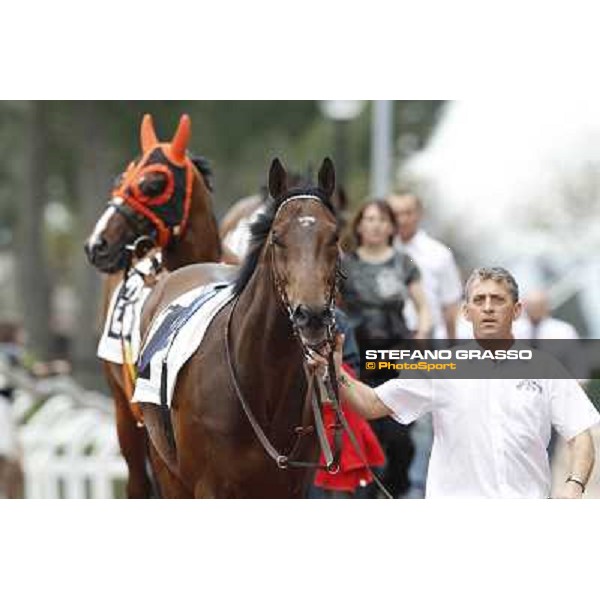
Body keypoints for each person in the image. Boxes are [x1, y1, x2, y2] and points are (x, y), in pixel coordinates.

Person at [311, 267, 599, 499]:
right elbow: (372, 404)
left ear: (516, 310)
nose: (488, 308)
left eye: (498, 300)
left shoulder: (544, 367)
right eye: (479, 300)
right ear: (465, 311)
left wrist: (574, 485)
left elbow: (581, 434)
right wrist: (336, 371)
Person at [340, 199, 431, 497]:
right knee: (365, 432)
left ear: (391, 226)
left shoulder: (404, 263)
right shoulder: (345, 264)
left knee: (400, 435)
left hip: (395, 355)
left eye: (381, 219)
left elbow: (423, 307)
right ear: (359, 225)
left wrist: (422, 332)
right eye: (369, 219)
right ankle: (364, 494)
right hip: (357, 357)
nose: (375, 225)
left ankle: (396, 491)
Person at [388, 191, 463, 498]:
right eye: (396, 213)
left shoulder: (438, 254)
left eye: (407, 212)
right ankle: (388, 485)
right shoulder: (375, 250)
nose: (401, 219)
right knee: (388, 417)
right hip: (385, 342)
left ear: (418, 214)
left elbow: (449, 307)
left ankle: (417, 488)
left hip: (425, 344)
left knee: (423, 421)